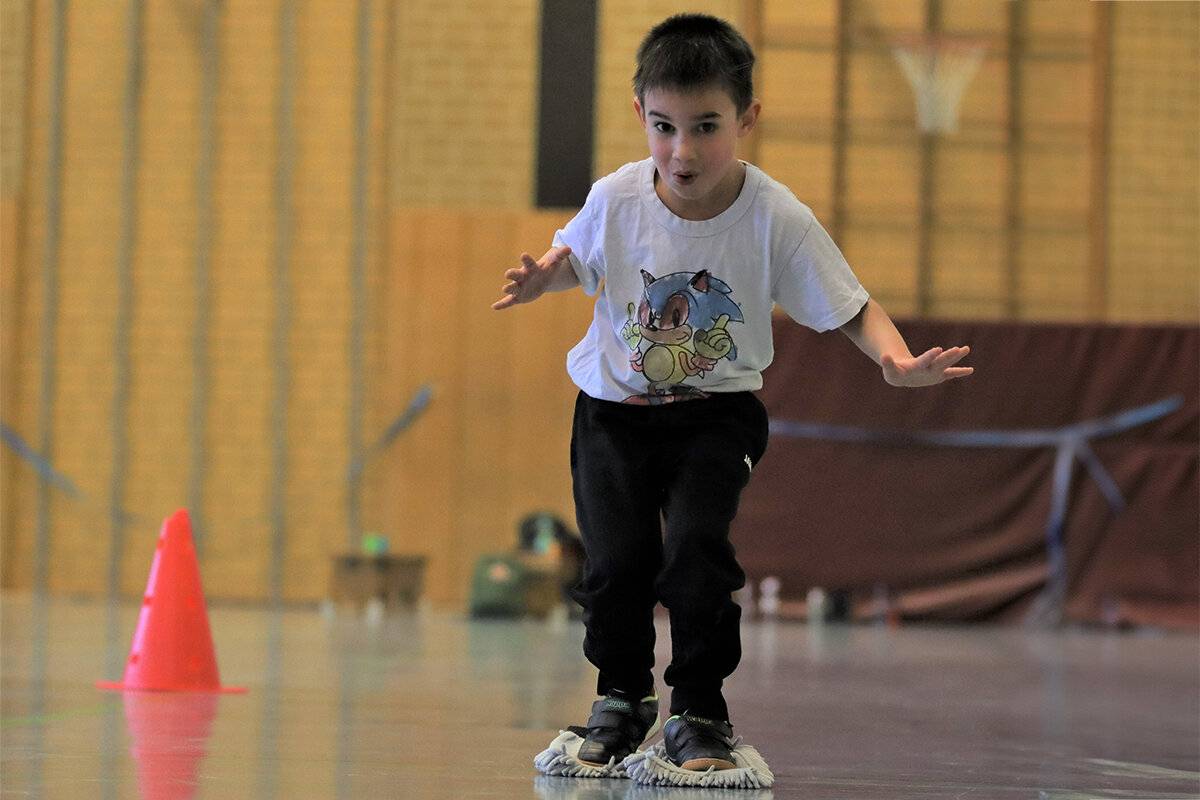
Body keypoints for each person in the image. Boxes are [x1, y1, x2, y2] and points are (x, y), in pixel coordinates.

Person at [493, 13, 972, 774]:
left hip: (716, 417)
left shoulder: (775, 217)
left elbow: (848, 303)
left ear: (747, 118)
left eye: (706, 126)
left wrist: (893, 358)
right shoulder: (616, 199)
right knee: (616, 563)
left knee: (693, 553)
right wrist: (539, 280)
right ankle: (621, 696)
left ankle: (698, 710)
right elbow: (569, 256)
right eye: (664, 126)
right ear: (640, 116)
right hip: (612, 414)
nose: (682, 151)